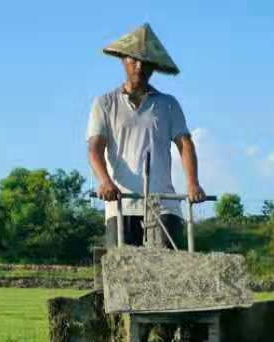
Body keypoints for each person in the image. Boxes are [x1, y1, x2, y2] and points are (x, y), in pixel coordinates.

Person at [86, 23, 208, 249]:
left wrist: (193, 183)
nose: (139, 66)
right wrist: (105, 181)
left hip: (163, 204)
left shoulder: (168, 104)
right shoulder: (104, 103)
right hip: (121, 202)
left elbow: (185, 144)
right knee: (121, 273)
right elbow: (94, 149)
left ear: (154, 67)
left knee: (168, 273)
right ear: (123, 60)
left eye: (146, 62)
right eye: (133, 60)